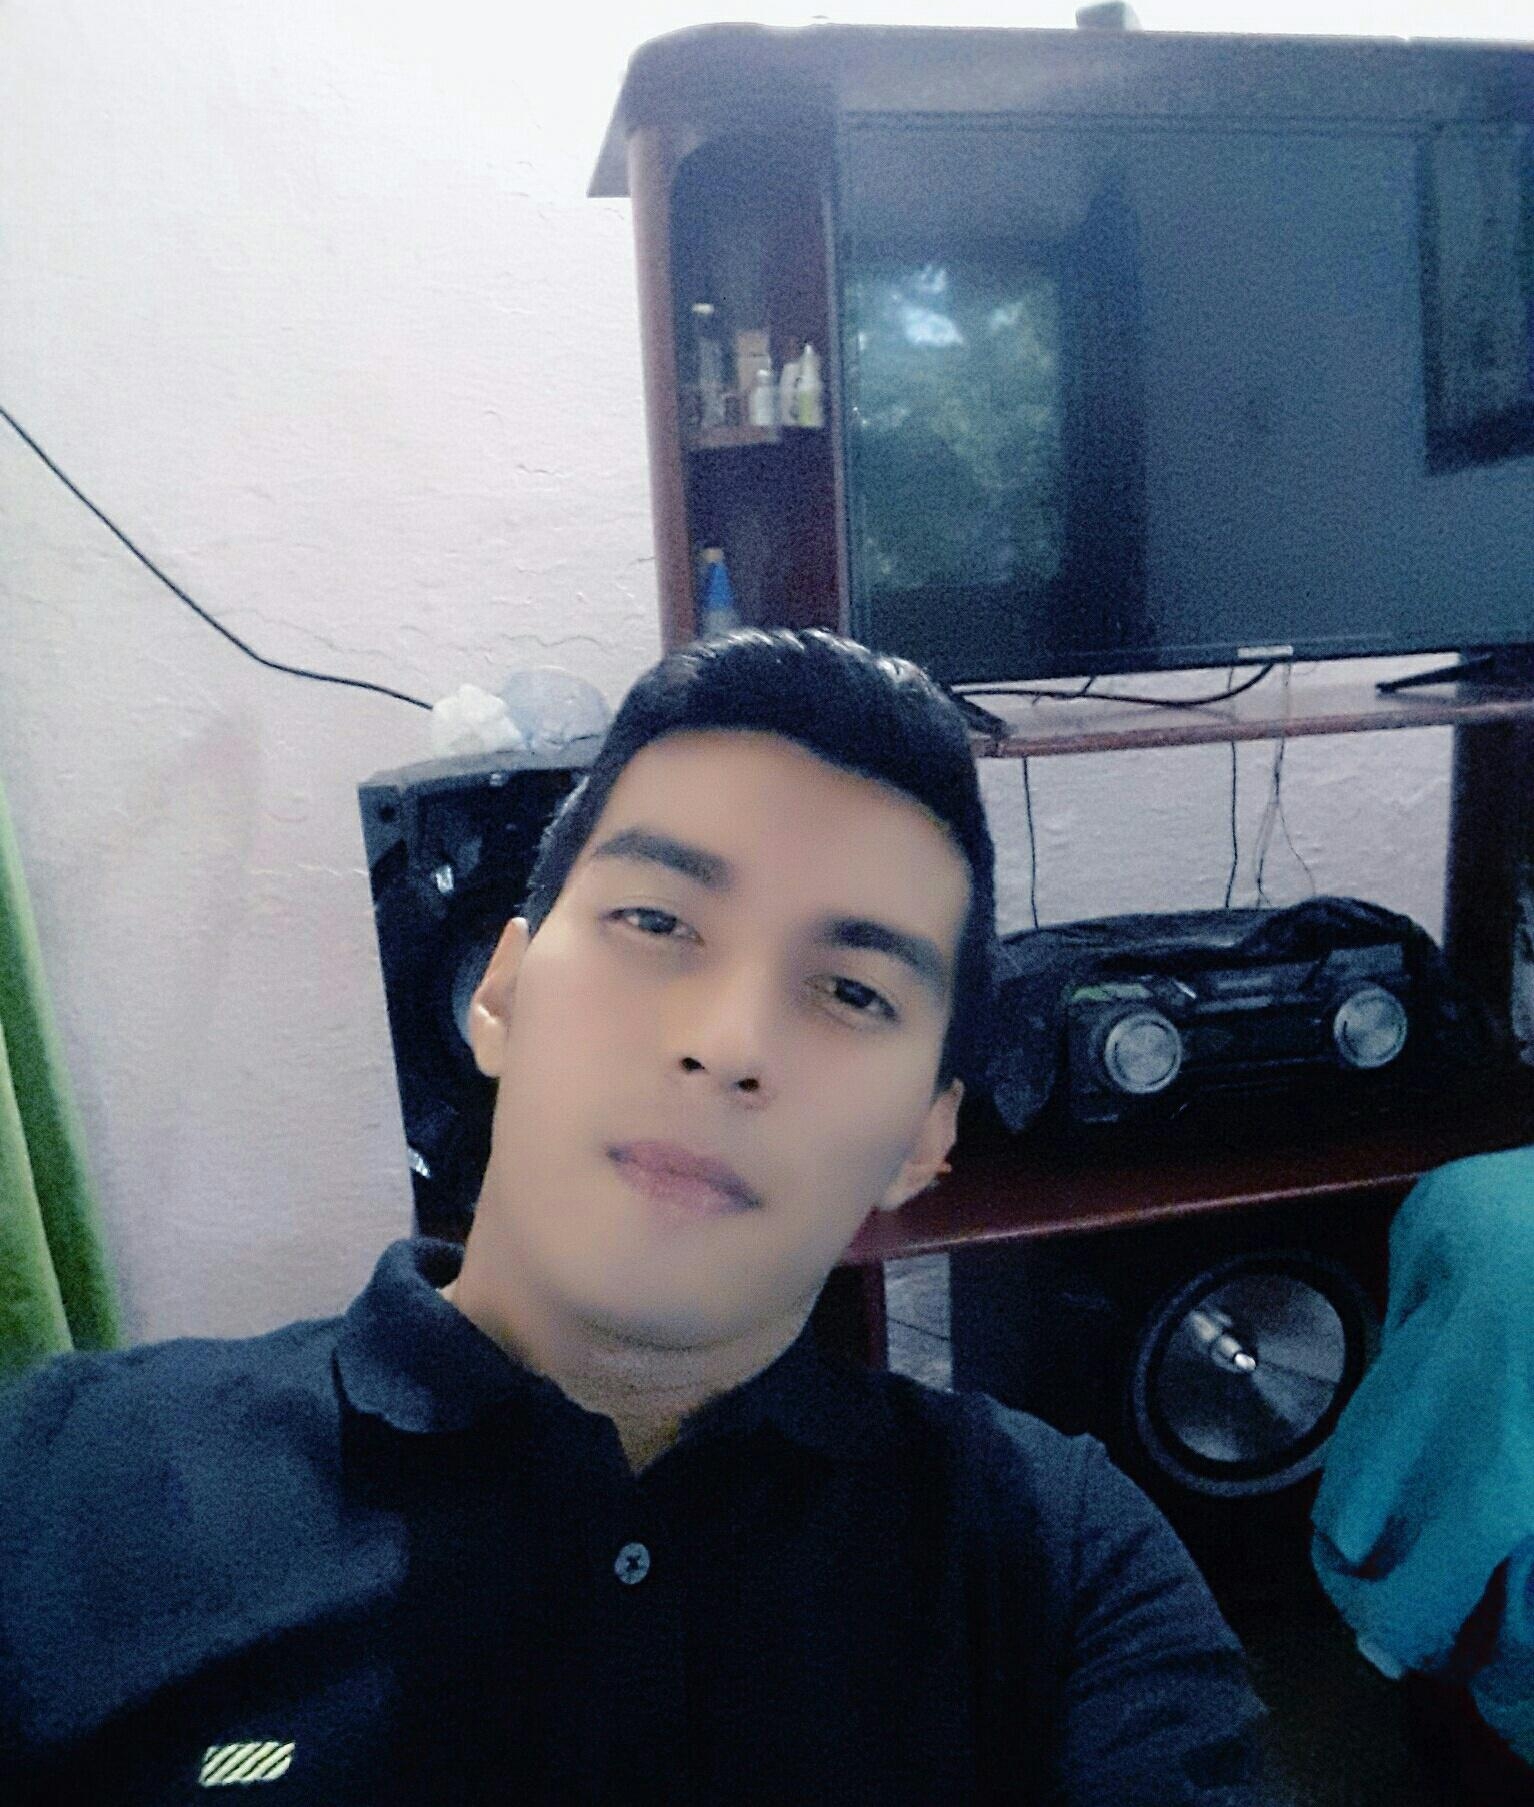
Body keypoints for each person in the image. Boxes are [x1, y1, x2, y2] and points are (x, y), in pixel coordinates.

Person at [0, 628, 1268, 1803]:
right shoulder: (53, 1482)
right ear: (497, 995)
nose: (727, 1044)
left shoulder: (1059, 1564)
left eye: (851, 991)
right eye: (655, 921)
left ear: (926, 1137)